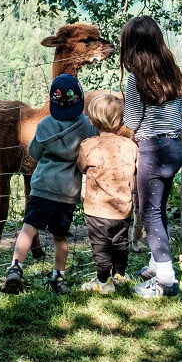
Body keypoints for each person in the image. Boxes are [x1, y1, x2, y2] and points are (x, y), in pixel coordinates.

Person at [3, 74, 98, 296]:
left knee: (29, 228)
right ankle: (58, 275)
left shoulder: (45, 124)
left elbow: (34, 152)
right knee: (60, 237)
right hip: (68, 192)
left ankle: (15, 267)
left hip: (43, 187)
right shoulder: (86, 126)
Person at [120, 15, 182, 298]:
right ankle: (155, 265)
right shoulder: (174, 75)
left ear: (132, 46)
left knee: (149, 213)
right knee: (159, 208)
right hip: (174, 148)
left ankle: (166, 281)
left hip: (151, 150)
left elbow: (133, 121)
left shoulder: (137, 81)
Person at [76, 91, 138, 294]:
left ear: (92, 120)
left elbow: (81, 166)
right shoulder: (130, 146)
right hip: (123, 207)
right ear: (121, 121)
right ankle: (120, 274)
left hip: (97, 209)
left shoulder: (88, 146)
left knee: (100, 246)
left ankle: (103, 281)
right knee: (120, 242)